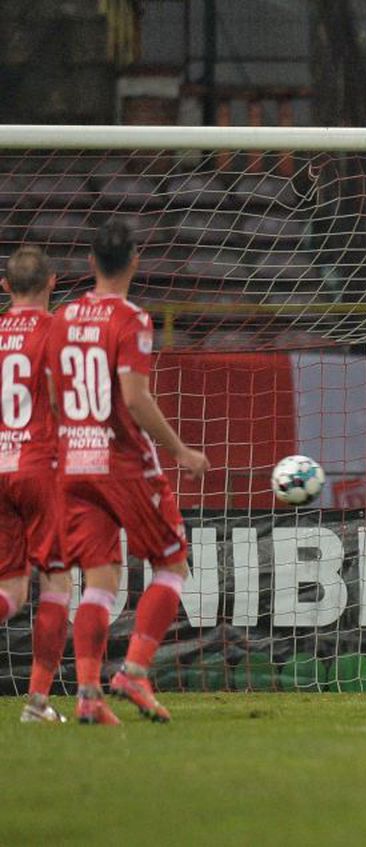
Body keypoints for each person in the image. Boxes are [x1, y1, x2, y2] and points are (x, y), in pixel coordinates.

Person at [48, 219, 210, 725]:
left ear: (91, 262)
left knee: (99, 580)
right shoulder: (133, 319)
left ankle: (89, 695)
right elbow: (136, 400)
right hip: (121, 462)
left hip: (73, 460)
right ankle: (135, 671)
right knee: (172, 563)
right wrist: (181, 449)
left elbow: (54, 395)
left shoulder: (63, 315)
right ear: (135, 262)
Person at [0, 247, 72, 723]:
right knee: (56, 584)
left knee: (11, 589)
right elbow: (58, 399)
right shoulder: (54, 331)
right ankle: (38, 703)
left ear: (6, 287)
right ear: (52, 281)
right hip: (39, 464)